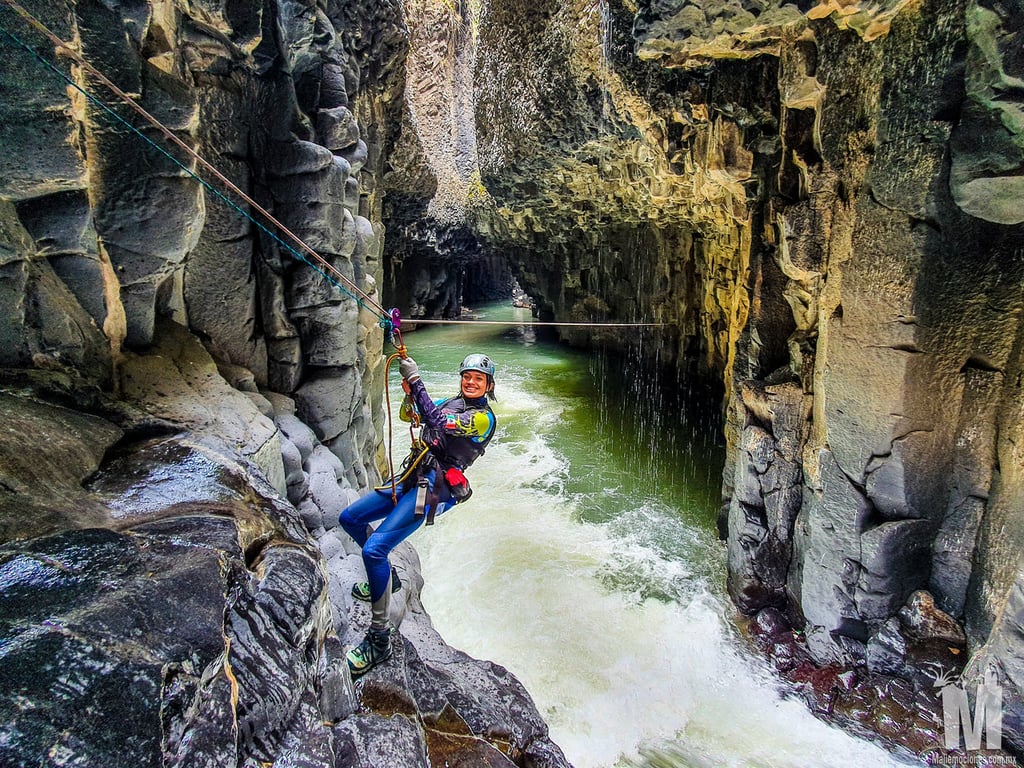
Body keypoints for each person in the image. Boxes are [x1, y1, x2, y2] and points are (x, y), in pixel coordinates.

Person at [339, 352, 498, 677]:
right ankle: (388, 579)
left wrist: (416, 381)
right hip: (413, 474)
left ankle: (379, 640)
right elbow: (408, 415)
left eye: (478, 379)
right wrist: (412, 397)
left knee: (374, 550)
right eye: (467, 376)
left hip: (433, 488)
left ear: (488, 385)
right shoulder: (446, 401)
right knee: (350, 518)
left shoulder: (483, 418)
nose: (470, 382)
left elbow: (439, 424)